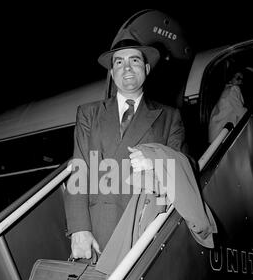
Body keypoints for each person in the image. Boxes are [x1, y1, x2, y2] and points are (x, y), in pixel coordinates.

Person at [64, 29, 187, 260]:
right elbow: (79, 170)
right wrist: (79, 228)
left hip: (146, 227)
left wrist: (156, 156)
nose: (126, 67)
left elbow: (185, 168)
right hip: (98, 229)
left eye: (134, 61)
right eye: (119, 62)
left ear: (147, 69)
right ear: (112, 72)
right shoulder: (89, 114)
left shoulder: (170, 117)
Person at [208, 68, 247, 143]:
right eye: (238, 78)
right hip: (220, 134)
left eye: (242, 79)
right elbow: (241, 112)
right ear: (230, 79)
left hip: (216, 134)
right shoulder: (233, 89)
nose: (240, 81)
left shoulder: (227, 89)